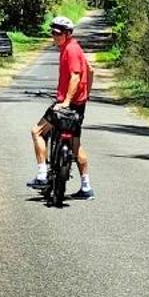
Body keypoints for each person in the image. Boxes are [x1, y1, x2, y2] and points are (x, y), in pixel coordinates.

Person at [29, 15, 92, 198]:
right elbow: (91, 70)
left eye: (58, 33)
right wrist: (86, 94)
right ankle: (86, 187)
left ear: (68, 34)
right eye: (53, 33)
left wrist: (65, 102)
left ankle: (41, 174)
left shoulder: (70, 50)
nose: (54, 36)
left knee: (37, 132)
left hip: (67, 104)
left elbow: (75, 76)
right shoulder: (74, 48)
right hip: (79, 105)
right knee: (75, 144)